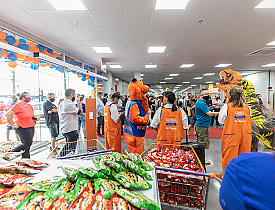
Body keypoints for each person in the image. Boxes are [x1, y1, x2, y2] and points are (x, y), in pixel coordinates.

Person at [218, 88, 252, 175]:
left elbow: (221, 121)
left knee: (229, 159)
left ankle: (227, 180)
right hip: (246, 136)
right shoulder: (247, 107)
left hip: (231, 136)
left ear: (229, 95)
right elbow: (250, 119)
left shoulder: (227, 106)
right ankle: (242, 179)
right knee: (244, 159)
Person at [6, 92, 40, 158]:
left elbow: (31, 114)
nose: (30, 98)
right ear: (23, 98)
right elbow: (8, 114)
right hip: (22, 127)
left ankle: (25, 160)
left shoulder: (29, 106)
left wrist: (36, 117)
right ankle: (10, 153)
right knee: (26, 143)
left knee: (28, 145)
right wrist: (12, 125)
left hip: (31, 126)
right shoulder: (18, 105)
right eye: (28, 97)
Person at [195, 89, 219, 164]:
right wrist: (220, 113)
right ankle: (201, 160)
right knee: (202, 144)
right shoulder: (201, 103)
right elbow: (209, 114)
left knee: (202, 143)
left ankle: (200, 158)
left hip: (203, 125)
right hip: (202, 126)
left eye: (208, 93)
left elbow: (205, 111)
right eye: (206, 94)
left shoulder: (202, 102)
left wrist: (209, 109)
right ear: (201, 95)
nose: (208, 95)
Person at [58, 88, 83, 157]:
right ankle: (69, 160)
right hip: (71, 129)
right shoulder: (69, 104)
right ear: (71, 95)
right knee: (71, 150)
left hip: (65, 128)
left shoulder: (62, 103)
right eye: (75, 95)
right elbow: (80, 113)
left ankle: (60, 156)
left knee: (67, 144)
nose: (75, 97)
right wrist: (79, 104)